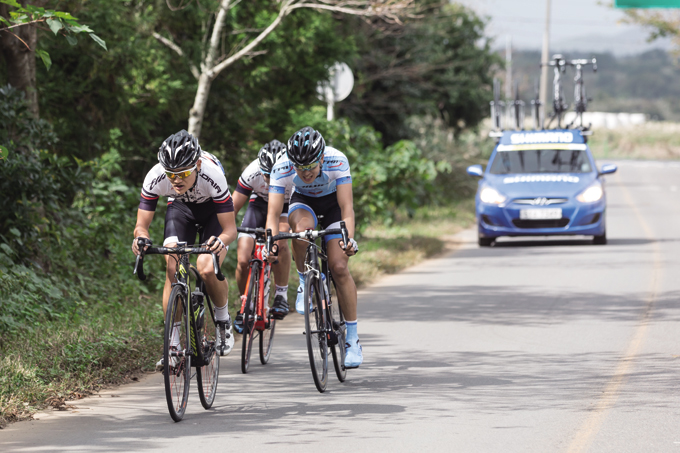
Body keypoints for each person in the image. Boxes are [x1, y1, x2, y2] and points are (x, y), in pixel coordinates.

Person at [131, 130, 237, 370]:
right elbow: (141, 226)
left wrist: (220, 241)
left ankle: (222, 321)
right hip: (180, 210)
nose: (176, 180)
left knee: (207, 267)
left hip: (212, 213)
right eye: (171, 174)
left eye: (184, 173)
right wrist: (141, 239)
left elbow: (230, 229)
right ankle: (173, 346)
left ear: (197, 164)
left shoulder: (213, 175)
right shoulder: (156, 176)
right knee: (173, 265)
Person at [264, 126, 363, 368]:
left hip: (333, 206)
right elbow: (273, 213)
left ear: (321, 158)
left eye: (310, 167)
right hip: (303, 203)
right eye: (300, 167)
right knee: (301, 232)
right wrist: (271, 242)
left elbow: (347, 208)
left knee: (339, 267)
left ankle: (352, 339)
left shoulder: (337, 160)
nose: (305, 173)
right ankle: (303, 283)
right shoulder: (282, 167)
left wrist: (348, 238)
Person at [232, 140, 293, 332]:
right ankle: (246, 304)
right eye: (266, 174)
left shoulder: (293, 174)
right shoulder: (252, 172)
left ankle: (281, 295)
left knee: (280, 241)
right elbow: (232, 208)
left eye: (274, 174)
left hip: (285, 206)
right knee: (243, 259)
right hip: (258, 205)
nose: (269, 179)